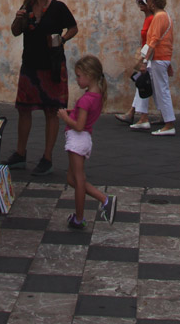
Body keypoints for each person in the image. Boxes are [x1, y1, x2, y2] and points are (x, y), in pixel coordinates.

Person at [7, 0, 78, 176]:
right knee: (24, 109)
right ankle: (20, 152)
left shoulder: (58, 8)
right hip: (30, 64)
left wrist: (62, 40)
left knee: (51, 110)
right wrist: (18, 18)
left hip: (52, 65)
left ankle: (47, 157)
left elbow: (73, 28)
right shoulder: (27, 8)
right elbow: (15, 31)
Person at [58, 54, 116, 229]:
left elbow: (79, 125)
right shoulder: (96, 96)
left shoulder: (86, 99)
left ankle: (80, 216)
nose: (77, 79)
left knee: (78, 179)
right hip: (83, 140)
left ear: (89, 76)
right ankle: (103, 199)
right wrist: (72, 111)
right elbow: (84, 116)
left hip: (77, 139)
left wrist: (64, 117)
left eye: (79, 76)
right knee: (72, 178)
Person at [131, 0, 175, 136]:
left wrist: (144, 61)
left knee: (162, 91)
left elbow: (153, 41)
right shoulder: (166, 16)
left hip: (159, 58)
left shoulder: (158, 17)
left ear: (153, 3)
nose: (147, 2)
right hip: (163, 58)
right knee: (160, 90)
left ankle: (169, 124)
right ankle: (164, 120)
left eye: (149, 0)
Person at [116, 0, 154, 126]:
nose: (140, 5)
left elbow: (151, 40)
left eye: (143, 3)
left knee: (143, 83)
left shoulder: (151, 19)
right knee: (144, 84)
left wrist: (145, 57)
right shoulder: (148, 18)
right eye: (140, 3)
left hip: (149, 56)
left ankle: (141, 116)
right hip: (146, 54)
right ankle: (133, 113)